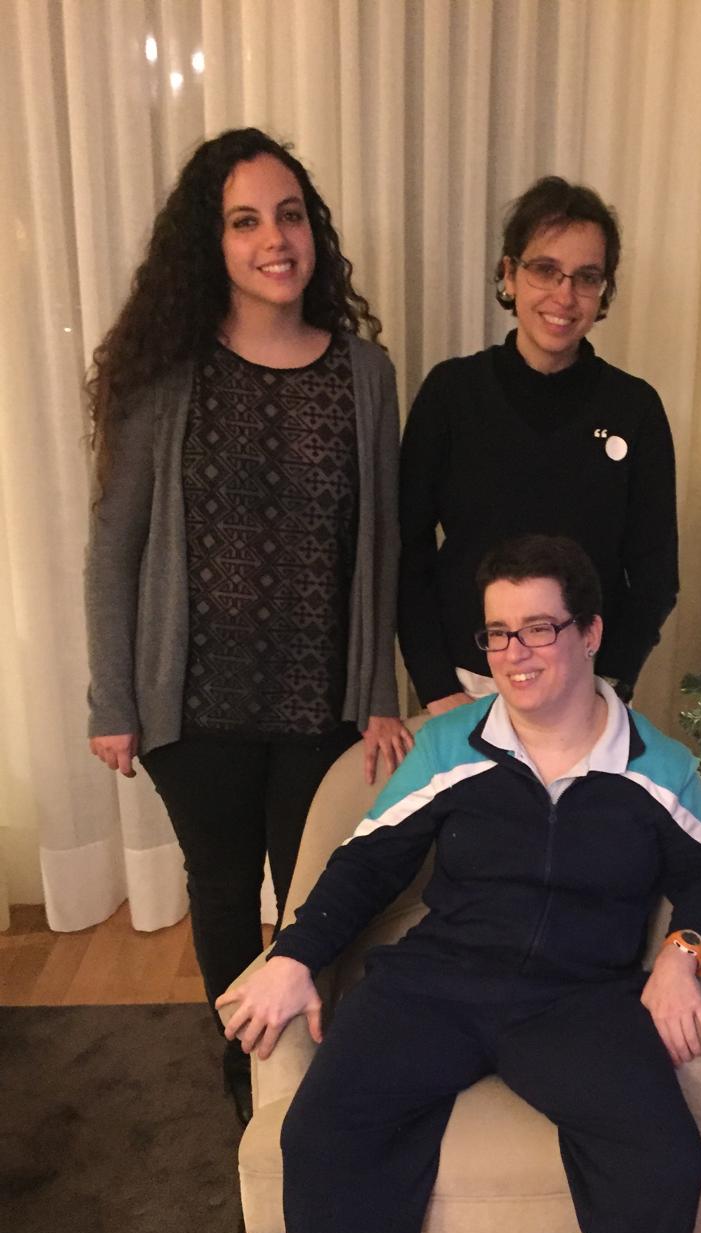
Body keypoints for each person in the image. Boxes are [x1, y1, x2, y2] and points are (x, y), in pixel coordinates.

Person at [220, 535, 701, 1233]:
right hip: (441, 981)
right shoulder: (452, 746)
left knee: (664, 1160)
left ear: (591, 633)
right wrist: (296, 953)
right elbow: (365, 864)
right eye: (500, 634)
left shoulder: (656, 764)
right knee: (322, 1131)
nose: (516, 654)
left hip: (581, 999)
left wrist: (683, 953)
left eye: (539, 629)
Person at [84, 128, 410, 1124]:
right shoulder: (165, 376)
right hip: (195, 705)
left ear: (314, 231)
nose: (275, 239)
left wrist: (379, 695)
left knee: (314, 894)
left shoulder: (365, 374)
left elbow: (381, 545)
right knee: (224, 893)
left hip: (320, 703)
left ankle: (312, 1061)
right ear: (212, 243)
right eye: (245, 221)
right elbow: (115, 547)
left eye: (290, 215)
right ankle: (245, 1074)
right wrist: (113, 699)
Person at [398, 175, 678, 717]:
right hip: (465, 684)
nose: (564, 296)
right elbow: (408, 552)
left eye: (586, 277)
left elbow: (655, 574)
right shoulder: (451, 394)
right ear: (509, 274)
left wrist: (611, 681)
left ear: (603, 292)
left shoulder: (635, 409)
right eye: (546, 270)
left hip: (586, 689)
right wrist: (434, 685)